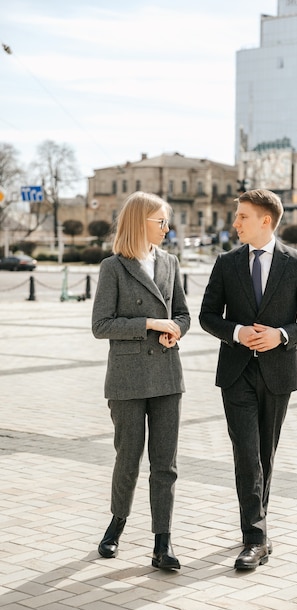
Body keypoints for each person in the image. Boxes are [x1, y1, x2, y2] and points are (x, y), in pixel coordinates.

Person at [199, 189, 297, 571]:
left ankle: (259, 530)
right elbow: (207, 315)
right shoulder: (226, 263)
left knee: (264, 455)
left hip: (279, 373)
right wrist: (237, 332)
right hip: (236, 372)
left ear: (265, 220)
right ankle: (254, 538)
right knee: (246, 454)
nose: (235, 223)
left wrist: (281, 336)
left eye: (241, 217)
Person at [92, 191, 190, 570]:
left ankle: (162, 543)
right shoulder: (113, 267)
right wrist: (150, 323)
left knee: (165, 463)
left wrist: (176, 330)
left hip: (167, 374)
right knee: (128, 458)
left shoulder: (170, 262)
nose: (167, 228)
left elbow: (182, 313)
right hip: (128, 378)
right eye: (160, 222)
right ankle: (117, 523)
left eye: (166, 222)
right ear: (140, 223)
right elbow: (101, 326)